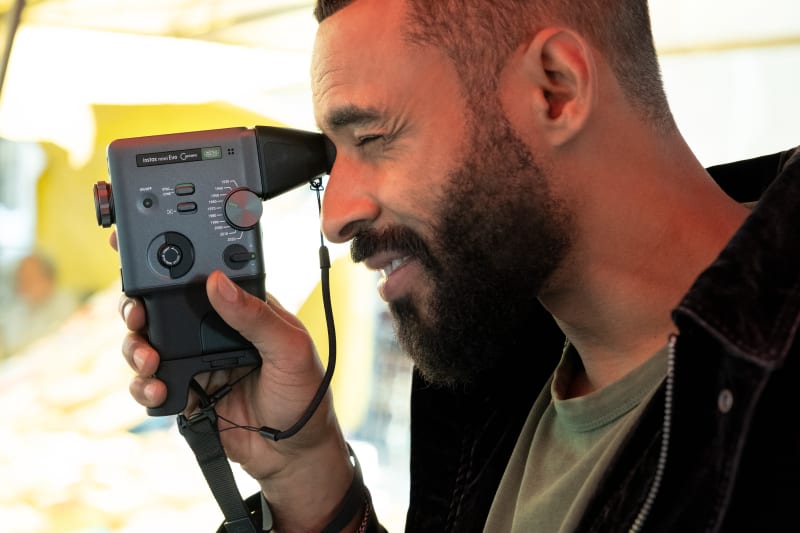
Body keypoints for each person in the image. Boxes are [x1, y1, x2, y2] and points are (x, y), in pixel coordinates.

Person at [117, 0, 800, 531]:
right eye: (335, 154)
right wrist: (309, 472)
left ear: (555, 89)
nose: (336, 215)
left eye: (374, 137)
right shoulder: (488, 362)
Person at [0, 252, 79, 356]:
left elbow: (68, 334)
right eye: (21, 278)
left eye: (30, 276)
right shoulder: (14, 315)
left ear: (47, 276)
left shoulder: (65, 299)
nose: (24, 283)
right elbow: (11, 348)